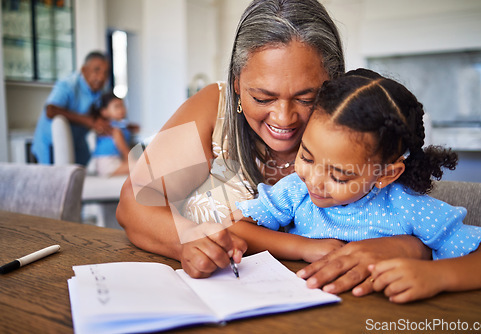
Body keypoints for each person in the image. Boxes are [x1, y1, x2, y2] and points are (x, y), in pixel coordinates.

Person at [117, 0, 431, 296]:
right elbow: (135, 202)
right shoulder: (214, 107)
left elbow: (412, 215)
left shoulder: (359, 134)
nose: (283, 118)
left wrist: (411, 246)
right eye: (263, 98)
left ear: (336, 84)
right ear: (237, 84)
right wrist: (186, 239)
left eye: (306, 99)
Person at [235, 68, 481, 303]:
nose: (313, 181)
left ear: (386, 175)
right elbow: (240, 229)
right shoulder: (295, 190)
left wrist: (436, 275)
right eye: (306, 157)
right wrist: (304, 247)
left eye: (339, 176)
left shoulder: (408, 206)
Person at [31, 51, 111, 165]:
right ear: (84, 70)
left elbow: (96, 116)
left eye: (105, 73)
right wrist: (88, 121)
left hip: (77, 144)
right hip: (51, 145)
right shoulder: (68, 85)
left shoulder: (99, 92)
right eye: (97, 70)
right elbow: (50, 110)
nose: (101, 77)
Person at [89, 92, 137, 177]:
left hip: (111, 162)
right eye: (116, 106)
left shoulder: (117, 126)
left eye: (122, 105)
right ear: (104, 112)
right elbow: (124, 150)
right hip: (108, 164)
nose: (121, 109)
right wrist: (135, 163)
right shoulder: (115, 129)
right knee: (142, 166)